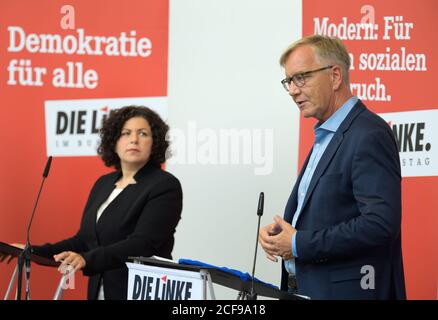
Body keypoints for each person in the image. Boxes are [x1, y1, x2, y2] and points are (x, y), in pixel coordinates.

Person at [258, 35, 406, 299]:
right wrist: (285, 235)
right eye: (289, 81)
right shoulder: (327, 135)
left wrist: (297, 243)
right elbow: (333, 212)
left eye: (301, 77)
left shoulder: (368, 134)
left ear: (335, 76)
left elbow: (380, 224)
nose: (293, 90)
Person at [2, 106, 183, 300]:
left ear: (154, 143)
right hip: (100, 292)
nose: (134, 139)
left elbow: (143, 244)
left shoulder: (164, 185)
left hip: (142, 291)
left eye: (143, 133)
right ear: (113, 142)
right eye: (126, 133)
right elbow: (83, 241)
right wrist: (32, 251)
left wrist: (87, 259)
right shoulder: (104, 184)